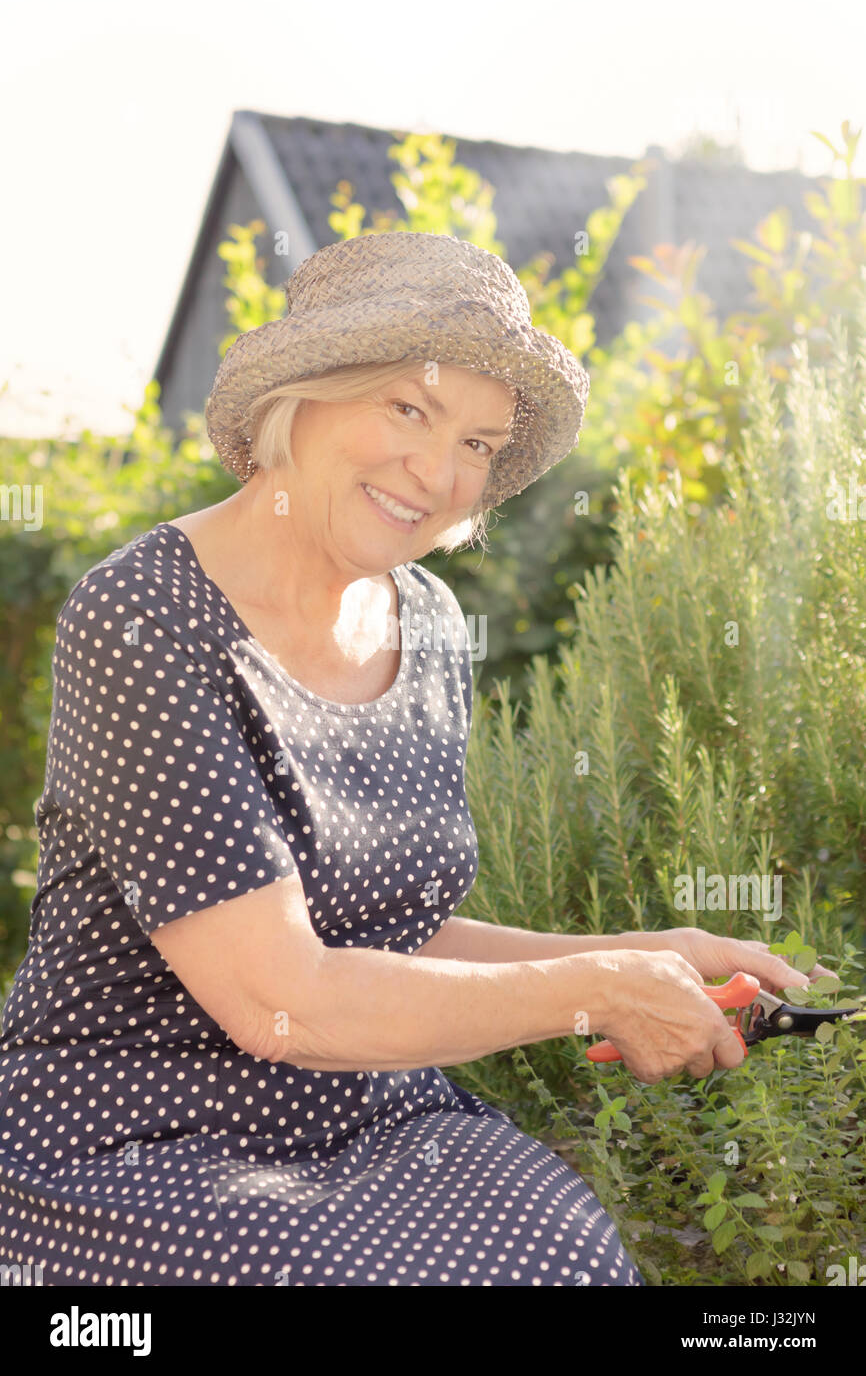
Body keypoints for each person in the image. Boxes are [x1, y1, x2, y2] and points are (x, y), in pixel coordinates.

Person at [0, 231, 817, 1287]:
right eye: (407, 410)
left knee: (571, 1263)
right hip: (138, 1134)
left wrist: (646, 951)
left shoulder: (427, 620)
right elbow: (279, 999)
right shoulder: (143, 617)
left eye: (477, 443)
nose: (437, 473)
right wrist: (595, 989)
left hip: (374, 1107)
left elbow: (394, 930)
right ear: (299, 396)